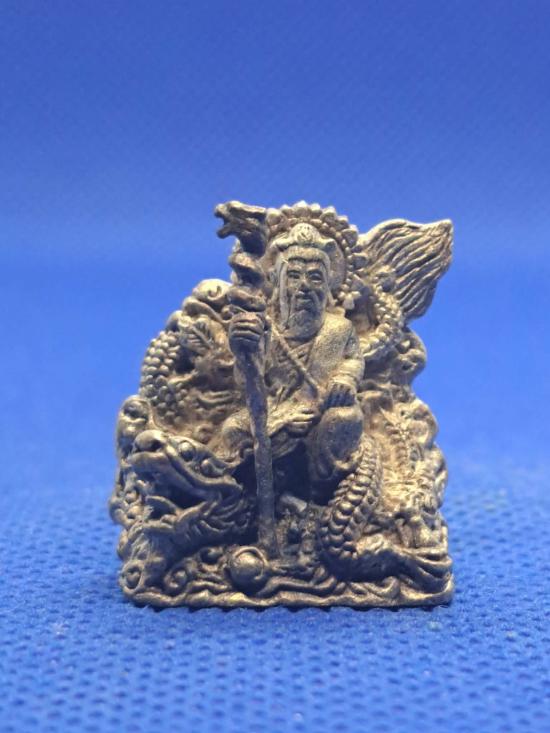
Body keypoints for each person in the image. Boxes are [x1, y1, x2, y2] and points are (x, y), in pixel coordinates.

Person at [214, 222, 365, 491]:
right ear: (279, 282)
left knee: (345, 418)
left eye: (315, 277)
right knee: (232, 429)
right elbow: (246, 381)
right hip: (275, 410)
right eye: (294, 276)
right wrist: (243, 349)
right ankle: (241, 489)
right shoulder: (265, 328)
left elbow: (353, 359)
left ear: (327, 285)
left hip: (318, 408)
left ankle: (320, 491)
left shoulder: (339, 329)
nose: (304, 286)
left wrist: (345, 379)